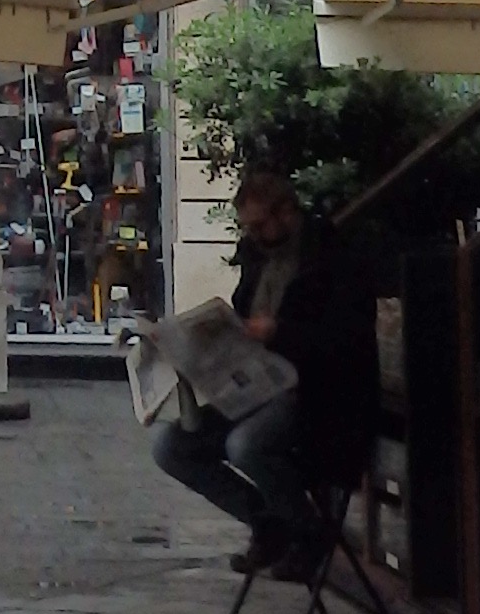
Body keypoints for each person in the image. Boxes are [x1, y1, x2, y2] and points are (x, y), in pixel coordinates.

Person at [146, 165, 374, 558]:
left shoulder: (331, 258)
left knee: (246, 444)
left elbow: (345, 339)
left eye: (260, 225)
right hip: (256, 389)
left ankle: (307, 533)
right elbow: (240, 321)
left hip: (318, 395)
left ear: (287, 212)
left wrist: (279, 333)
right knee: (171, 446)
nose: (253, 235)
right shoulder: (257, 258)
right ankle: (268, 524)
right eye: (247, 227)